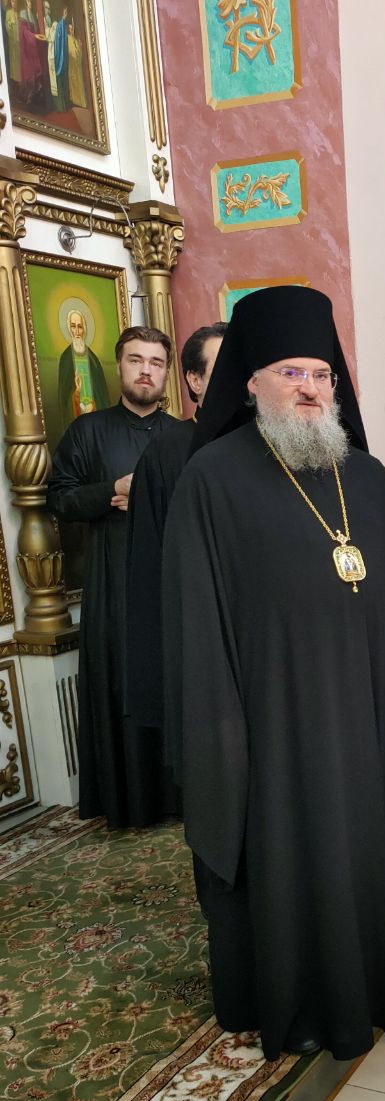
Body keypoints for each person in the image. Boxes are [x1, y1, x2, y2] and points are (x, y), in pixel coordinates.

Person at [162, 286, 385, 1061]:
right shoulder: (211, 481)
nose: (310, 388)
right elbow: (196, 628)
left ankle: (377, 983)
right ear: (250, 381)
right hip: (275, 736)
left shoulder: (369, 479)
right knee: (292, 869)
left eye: (321, 374)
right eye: (291, 372)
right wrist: (224, 743)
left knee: (368, 858)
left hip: (368, 727)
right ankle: (298, 1003)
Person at [47, 325, 180, 828]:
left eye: (156, 362)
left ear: (168, 374)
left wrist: (152, 500)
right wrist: (112, 491)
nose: (146, 371)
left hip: (171, 582)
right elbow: (59, 499)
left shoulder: (182, 435)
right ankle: (132, 803)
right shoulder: (88, 431)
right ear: (119, 366)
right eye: (136, 360)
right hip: (115, 585)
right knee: (124, 684)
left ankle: (181, 796)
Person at [124, 322, 228, 730]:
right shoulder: (166, 453)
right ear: (194, 380)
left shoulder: (272, 444)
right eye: (224, 368)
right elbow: (152, 566)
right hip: (202, 636)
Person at [58, 308, 110, 430]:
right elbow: (63, 401)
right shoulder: (66, 358)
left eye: (80, 327)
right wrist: (76, 394)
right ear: (69, 328)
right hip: (77, 421)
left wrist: (93, 405)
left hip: (96, 418)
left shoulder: (93, 360)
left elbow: (102, 396)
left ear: (84, 329)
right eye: (73, 326)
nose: (77, 331)